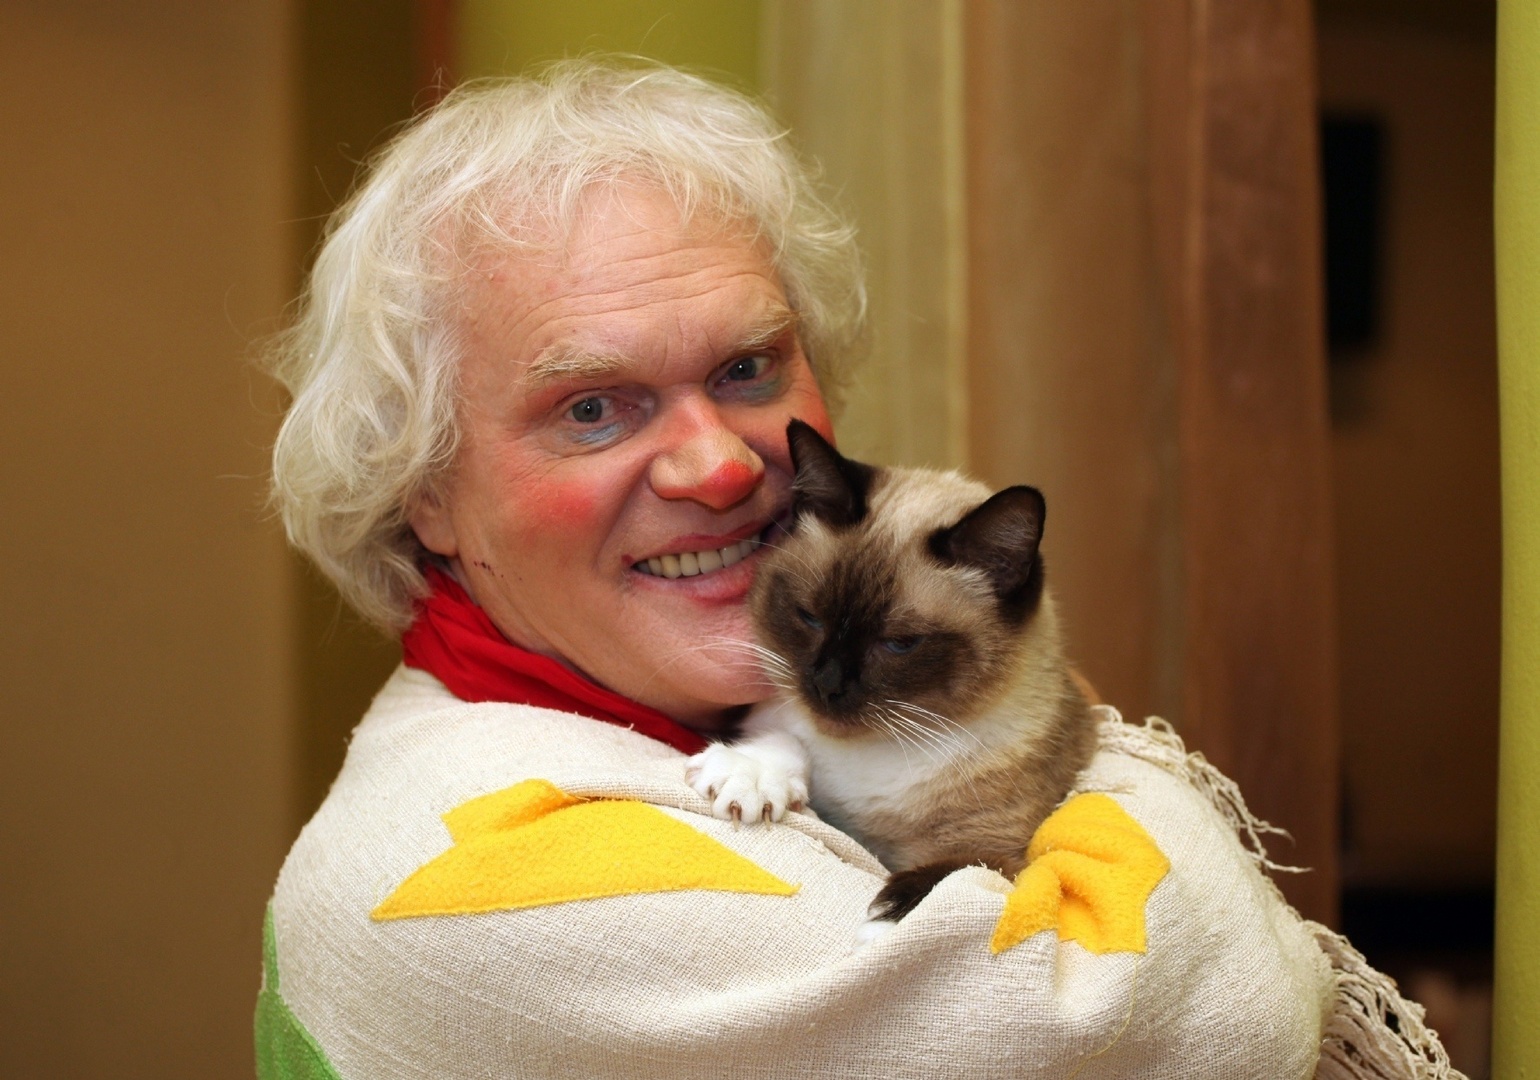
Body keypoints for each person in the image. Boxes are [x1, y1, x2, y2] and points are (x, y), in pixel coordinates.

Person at [256, 60, 1401, 1080]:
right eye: (592, 407)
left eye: (747, 368)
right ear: (424, 490)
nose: (717, 466)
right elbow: (1206, 1015)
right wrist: (1062, 727)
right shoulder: (498, 872)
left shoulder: (705, 723)